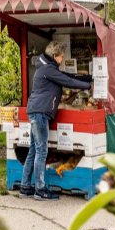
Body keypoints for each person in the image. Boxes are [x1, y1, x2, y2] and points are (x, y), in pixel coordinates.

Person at [20, 41, 92, 200]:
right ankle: (40, 189)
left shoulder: (47, 68)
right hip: (40, 113)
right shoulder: (47, 69)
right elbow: (68, 82)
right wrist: (87, 85)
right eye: (61, 56)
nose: (63, 58)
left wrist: (88, 77)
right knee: (41, 151)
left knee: (33, 149)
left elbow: (67, 76)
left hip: (35, 111)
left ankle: (25, 186)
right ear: (55, 56)